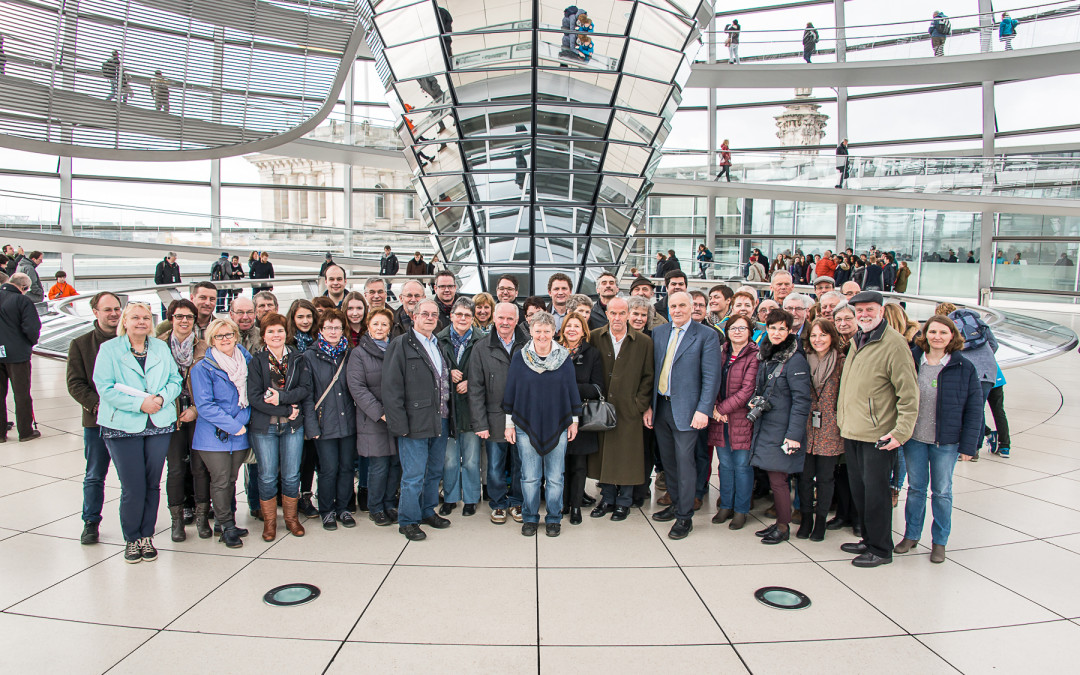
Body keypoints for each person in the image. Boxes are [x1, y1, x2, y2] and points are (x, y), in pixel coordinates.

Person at [93, 302, 182, 563]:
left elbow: (175, 380)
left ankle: (147, 536)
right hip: (123, 425)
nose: (141, 322)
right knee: (133, 485)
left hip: (158, 422)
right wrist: (139, 404)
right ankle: (132, 538)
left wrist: (162, 399)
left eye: (145, 317)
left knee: (153, 483)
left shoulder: (160, 347)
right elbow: (105, 387)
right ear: (125, 321)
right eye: (135, 317)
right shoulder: (109, 350)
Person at [837, 291, 919, 568]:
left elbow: (908, 394)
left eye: (869, 310)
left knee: (876, 494)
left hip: (878, 435)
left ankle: (881, 549)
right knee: (860, 491)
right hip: (852, 430)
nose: (863, 315)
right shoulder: (858, 340)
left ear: (882, 311)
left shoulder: (894, 344)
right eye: (859, 311)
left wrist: (900, 432)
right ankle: (869, 539)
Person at [894, 315, 982, 564]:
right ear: (925, 335)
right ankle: (911, 536)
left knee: (942, 492)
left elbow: (975, 408)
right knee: (915, 490)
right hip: (915, 439)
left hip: (946, 442)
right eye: (932, 332)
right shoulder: (913, 361)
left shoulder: (964, 367)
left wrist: (969, 446)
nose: (937, 337)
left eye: (943, 332)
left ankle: (939, 542)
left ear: (952, 336)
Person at [648, 292, 721, 540]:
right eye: (673, 306)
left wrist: (703, 410)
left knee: (685, 462)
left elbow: (711, 378)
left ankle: (685, 517)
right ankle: (676, 503)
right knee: (668, 462)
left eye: (682, 305)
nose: (677, 310)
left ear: (692, 307)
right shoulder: (659, 333)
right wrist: (649, 406)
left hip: (689, 411)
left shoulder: (707, 336)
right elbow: (653, 371)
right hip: (662, 408)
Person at [501, 312, 581, 538]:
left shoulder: (564, 357)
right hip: (525, 426)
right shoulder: (520, 357)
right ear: (531, 331)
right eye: (538, 331)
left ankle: (554, 518)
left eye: (547, 331)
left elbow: (571, 390)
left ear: (554, 332)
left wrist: (574, 421)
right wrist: (509, 424)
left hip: (559, 423)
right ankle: (530, 518)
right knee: (530, 477)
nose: (542, 335)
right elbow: (511, 391)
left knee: (556, 477)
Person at [384, 299, 453, 541]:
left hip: (439, 419)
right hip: (414, 422)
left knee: (434, 471)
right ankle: (408, 520)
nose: (430, 318)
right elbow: (391, 388)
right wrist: (399, 425)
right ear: (414, 317)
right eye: (425, 314)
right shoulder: (401, 344)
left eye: (434, 314)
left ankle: (426, 511)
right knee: (413, 475)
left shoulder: (438, 344)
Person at [585, 297, 653, 521]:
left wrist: (638, 405)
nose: (617, 317)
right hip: (603, 408)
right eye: (613, 313)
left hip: (628, 408)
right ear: (607, 314)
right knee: (604, 453)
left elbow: (648, 377)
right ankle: (607, 498)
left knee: (627, 455)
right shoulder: (595, 337)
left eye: (621, 313)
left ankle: (624, 501)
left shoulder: (643, 342)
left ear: (628, 314)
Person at [747, 309, 811, 545]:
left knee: (779, 480)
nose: (776, 332)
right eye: (772, 328)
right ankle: (779, 523)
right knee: (775, 479)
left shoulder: (794, 360)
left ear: (790, 330)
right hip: (767, 426)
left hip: (783, 430)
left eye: (781, 328)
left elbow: (802, 400)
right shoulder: (768, 355)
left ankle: (783, 526)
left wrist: (793, 435)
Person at [190, 318, 252, 549]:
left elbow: (251, 395)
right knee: (221, 480)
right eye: (219, 336)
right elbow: (205, 406)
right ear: (211, 340)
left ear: (236, 335)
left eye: (229, 334)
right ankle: (226, 526)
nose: (225, 339)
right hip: (213, 436)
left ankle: (227, 522)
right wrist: (234, 425)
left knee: (232, 480)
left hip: (240, 432)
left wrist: (241, 424)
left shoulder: (246, 361)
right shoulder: (203, 368)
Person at [247, 313, 310, 541]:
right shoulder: (257, 361)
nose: (276, 335)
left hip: (293, 426)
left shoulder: (297, 358)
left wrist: (281, 397)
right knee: (267, 476)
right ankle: (270, 523)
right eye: (271, 331)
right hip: (266, 428)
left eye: (280, 330)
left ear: (286, 333)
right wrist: (285, 409)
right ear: (264, 335)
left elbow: (304, 389)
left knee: (292, 475)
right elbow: (255, 398)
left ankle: (292, 519)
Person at [67, 292, 123, 544]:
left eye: (117, 309)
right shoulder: (80, 344)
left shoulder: (130, 340)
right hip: (97, 421)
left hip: (128, 420)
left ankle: (134, 522)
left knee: (130, 475)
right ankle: (90, 521)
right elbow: (75, 383)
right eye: (108, 309)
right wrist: (98, 406)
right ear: (95, 312)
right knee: (94, 474)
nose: (114, 313)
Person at [469, 302, 529, 524]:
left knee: (520, 463)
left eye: (510, 319)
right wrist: (480, 423)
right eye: (501, 318)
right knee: (494, 465)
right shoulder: (481, 347)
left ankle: (517, 501)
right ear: (495, 318)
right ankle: (498, 504)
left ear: (517, 320)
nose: (505, 323)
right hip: (494, 418)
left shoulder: (528, 344)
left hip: (523, 418)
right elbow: (475, 389)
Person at [158, 300, 209, 543]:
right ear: (171, 318)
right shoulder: (157, 347)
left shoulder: (204, 347)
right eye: (179, 316)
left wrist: (197, 410)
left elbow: (212, 383)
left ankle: (201, 517)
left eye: (189, 317)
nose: (184, 321)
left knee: (200, 467)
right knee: (176, 468)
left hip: (197, 414)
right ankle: (177, 520)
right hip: (170, 414)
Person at [301, 309, 356, 531]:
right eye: (329, 328)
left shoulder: (350, 354)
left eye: (337, 328)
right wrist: (312, 425)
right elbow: (307, 395)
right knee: (328, 469)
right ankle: (327, 510)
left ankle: (343, 508)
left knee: (346, 468)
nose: (333, 332)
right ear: (321, 330)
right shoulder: (309, 356)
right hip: (324, 424)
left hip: (349, 422)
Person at [347, 308, 401, 527]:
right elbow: (357, 388)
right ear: (368, 326)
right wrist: (380, 413)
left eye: (384, 324)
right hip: (374, 419)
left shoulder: (396, 349)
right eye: (376, 324)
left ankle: (390, 503)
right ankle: (376, 507)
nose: (380, 328)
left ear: (390, 328)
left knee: (396, 463)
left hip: (397, 417)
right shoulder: (359, 354)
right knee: (379, 466)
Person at [706, 313, 759, 531]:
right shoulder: (721, 354)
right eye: (733, 328)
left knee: (742, 466)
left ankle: (741, 510)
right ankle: (725, 506)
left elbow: (748, 390)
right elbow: (711, 380)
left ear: (750, 331)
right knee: (725, 466)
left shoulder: (755, 356)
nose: (737, 332)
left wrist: (721, 408)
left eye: (742, 328)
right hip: (720, 419)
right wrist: (715, 408)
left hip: (741, 419)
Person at [796, 319, 845, 542]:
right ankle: (806, 518)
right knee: (804, 478)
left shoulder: (842, 362)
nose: (818, 340)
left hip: (830, 428)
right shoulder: (803, 360)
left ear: (831, 337)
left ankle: (820, 522)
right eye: (814, 335)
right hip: (805, 426)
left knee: (825, 479)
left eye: (823, 335)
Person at [436, 298, 484, 517]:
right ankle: (450, 497)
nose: (462, 319)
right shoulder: (439, 340)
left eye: (467, 315)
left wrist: (471, 382)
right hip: (447, 409)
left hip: (472, 410)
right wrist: (448, 373)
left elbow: (488, 374)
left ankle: (472, 498)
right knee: (450, 459)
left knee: (472, 458)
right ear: (452, 316)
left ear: (472, 318)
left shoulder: (482, 341)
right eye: (459, 314)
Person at [285, 299, 319, 515]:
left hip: (315, 405)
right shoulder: (288, 344)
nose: (305, 321)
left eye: (309, 316)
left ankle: (305, 496)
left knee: (310, 455)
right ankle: (290, 497)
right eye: (300, 317)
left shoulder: (319, 341)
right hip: (292, 407)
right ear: (293, 319)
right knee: (292, 457)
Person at [0, 273, 41, 442]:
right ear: (24, 287)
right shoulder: (22, 301)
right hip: (17, 355)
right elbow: (32, 327)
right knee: (22, 393)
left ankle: (0, 433)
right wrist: (29, 343)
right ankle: (25, 431)